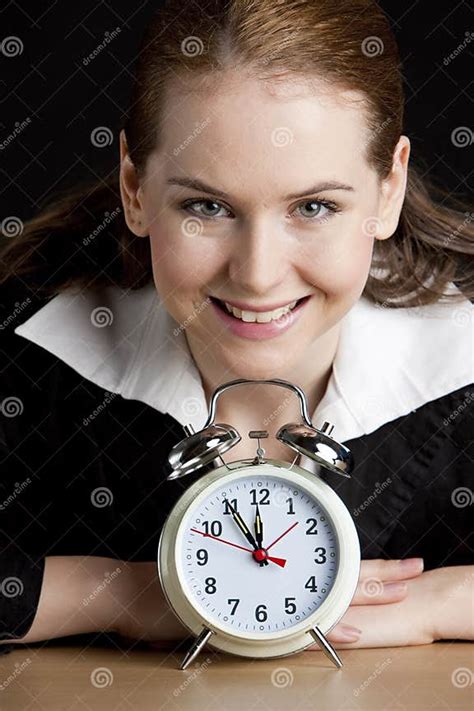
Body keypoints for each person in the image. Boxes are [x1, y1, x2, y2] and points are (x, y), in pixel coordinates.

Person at [0, 0, 472, 655]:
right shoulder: (29, 362)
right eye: (207, 206)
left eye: (314, 206)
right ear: (134, 188)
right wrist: (124, 592)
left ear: (387, 190)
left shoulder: (461, 362)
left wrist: (439, 602)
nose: (257, 274)